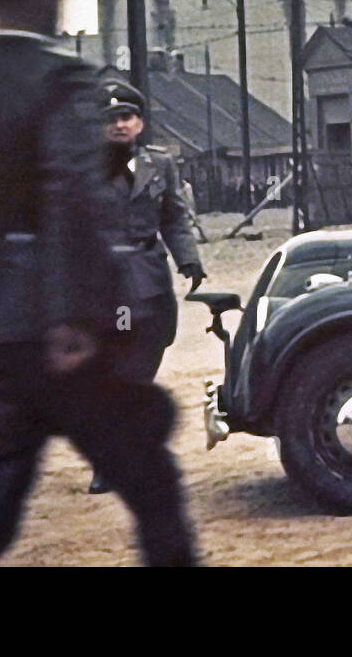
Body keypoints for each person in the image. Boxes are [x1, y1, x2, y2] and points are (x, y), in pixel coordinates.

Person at [0, 0, 196, 567]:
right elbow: (72, 199)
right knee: (154, 488)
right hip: (60, 337)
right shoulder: (62, 80)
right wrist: (74, 314)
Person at [89, 79, 205, 493]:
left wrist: (188, 259)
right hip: (103, 279)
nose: (119, 125)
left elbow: (174, 216)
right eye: (110, 119)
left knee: (150, 350)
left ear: (139, 123)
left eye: (126, 117)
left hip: (150, 276)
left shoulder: (161, 164)